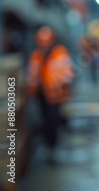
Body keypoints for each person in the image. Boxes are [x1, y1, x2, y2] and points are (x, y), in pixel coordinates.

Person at [26, 25, 75, 163]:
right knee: (44, 122)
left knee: (53, 123)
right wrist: (31, 90)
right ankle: (48, 146)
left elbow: (68, 74)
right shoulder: (36, 55)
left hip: (55, 97)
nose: (45, 46)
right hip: (41, 96)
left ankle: (53, 149)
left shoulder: (60, 53)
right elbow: (32, 76)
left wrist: (56, 85)